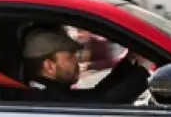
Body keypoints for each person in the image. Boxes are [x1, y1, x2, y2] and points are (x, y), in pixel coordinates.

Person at [19, 27, 151, 103]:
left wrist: (129, 61)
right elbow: (103, 106)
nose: (77, 60)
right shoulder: (46, 99)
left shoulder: (48, 90)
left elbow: (96, 94)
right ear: (49, 66)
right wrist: (145, 69)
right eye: (70, 57)